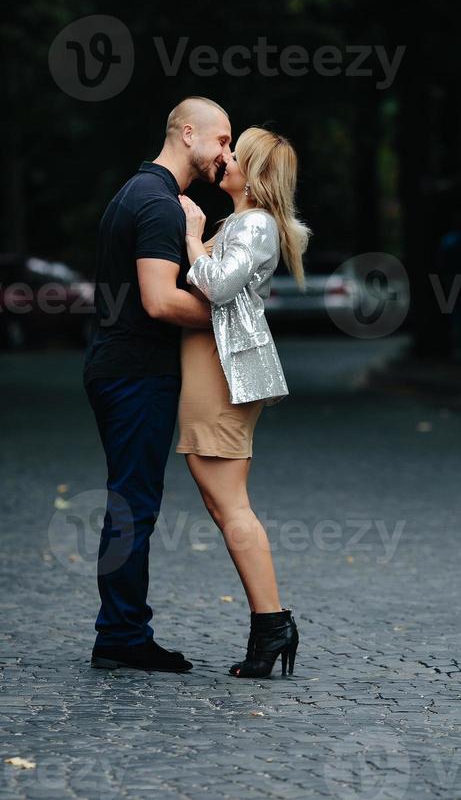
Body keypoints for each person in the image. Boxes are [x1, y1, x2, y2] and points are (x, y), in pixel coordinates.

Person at [84, 96, 232, 673]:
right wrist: (235, 318)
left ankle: (119, 630)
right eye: (220, 140)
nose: (226, 153)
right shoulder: (156, 202)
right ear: (187, 132)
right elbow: (160, 299)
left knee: (130, 501)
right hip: (134, 374)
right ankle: (120, 636)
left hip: (120, 367)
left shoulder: (141, 193)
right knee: (132, 504)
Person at [176, 127, 311, 678]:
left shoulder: (253, 224)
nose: (223, 158)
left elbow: (215, 287)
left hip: (221, 373)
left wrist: (191, 235)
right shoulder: (246, 222)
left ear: (254, 173)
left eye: (234, 152)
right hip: (215, 370)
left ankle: (273, 624)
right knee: (221, 502)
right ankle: (271, 624)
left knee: (230, 505)